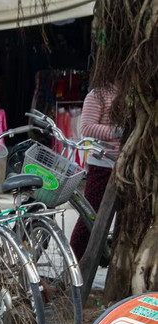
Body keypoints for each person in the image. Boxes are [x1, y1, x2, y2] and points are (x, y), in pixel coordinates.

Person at [69, 85, 121, 261]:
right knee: (89, 218)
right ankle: (74, 268)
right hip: (103, 164)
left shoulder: (133, 90)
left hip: (127, 165)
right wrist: (116, 131)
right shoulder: (98, 94)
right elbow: (87, 127)